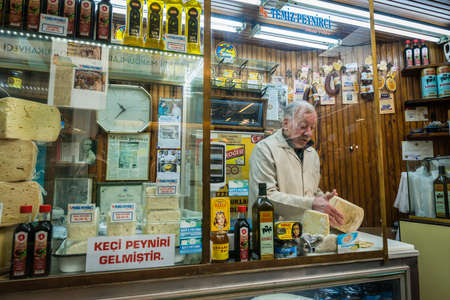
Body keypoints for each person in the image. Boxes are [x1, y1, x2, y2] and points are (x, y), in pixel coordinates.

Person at [249, 101, 344, 226]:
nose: (308, 133)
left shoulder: (312, 154)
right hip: (271, 233)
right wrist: (312, 203)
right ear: (286, 124)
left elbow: (310, 190)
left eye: (312, 128)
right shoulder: (264, 149)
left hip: (306, 231)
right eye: (303, 126)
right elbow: (265, 197)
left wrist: (323, 199)